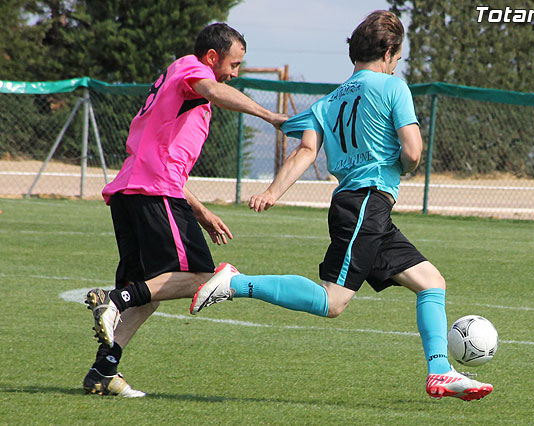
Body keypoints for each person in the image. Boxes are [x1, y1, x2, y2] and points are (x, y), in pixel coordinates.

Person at [190, 11, 493, 401]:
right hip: (366, 203)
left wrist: (273, 191)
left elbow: (305, 150)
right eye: (398, 56)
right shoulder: (392, 87)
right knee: (332, 302)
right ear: (387, 52)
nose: (397, 63)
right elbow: (413, 151)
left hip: (364, 207)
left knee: (431, 282)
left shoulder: (328, 102)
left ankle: (440, 372)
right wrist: (403, 165)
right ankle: (235, 283)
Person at [82, 23, 288, 397]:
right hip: (153, 190)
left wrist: (201, 212)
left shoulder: (175, 77)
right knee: (199, 277)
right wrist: (271, 117)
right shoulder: (195, 70)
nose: (235, 74)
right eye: (234, 64)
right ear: (213, 57)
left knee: (149, 292)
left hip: (132, 189)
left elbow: (164, 156)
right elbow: (213, 89)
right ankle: (114, 302)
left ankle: (103, 372)